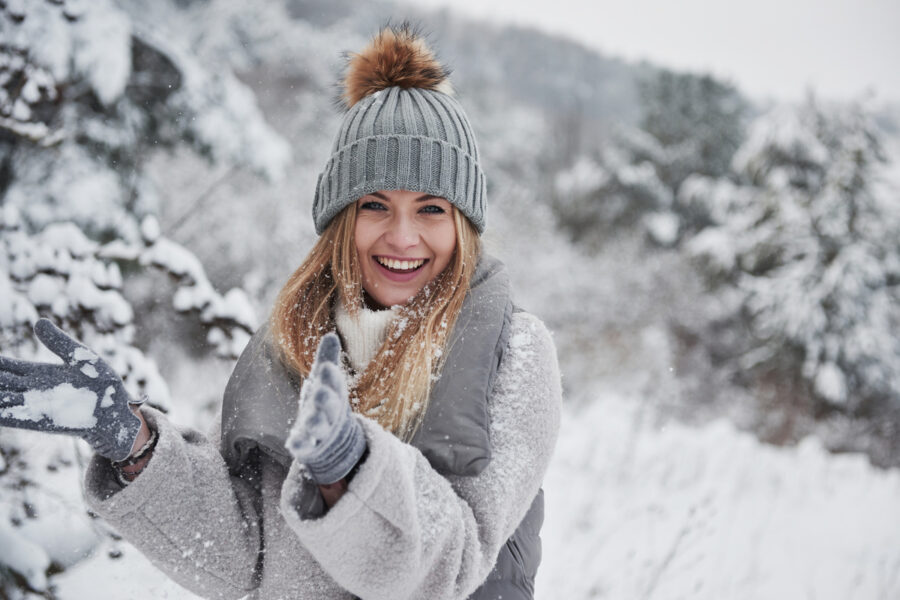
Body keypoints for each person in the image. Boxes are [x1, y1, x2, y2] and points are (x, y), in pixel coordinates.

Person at [0, 24, 562, 600]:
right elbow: (244, 556)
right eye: (375, 204)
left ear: (462, 226)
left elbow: (453, 568)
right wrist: (134, 444)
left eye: (431, 209)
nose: (402, 235)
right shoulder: (292, 343)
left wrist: (352, 468)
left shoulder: (510, 352)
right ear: (341, 220)